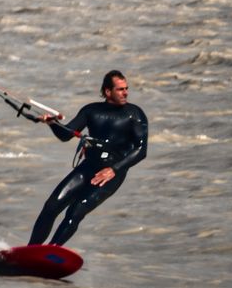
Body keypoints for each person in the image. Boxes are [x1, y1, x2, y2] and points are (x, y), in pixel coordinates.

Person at [28, 70, 148, 246]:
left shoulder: (135, 114)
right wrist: (53, 123)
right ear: (108, 92)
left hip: (110, 174)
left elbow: (141, 150)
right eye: (120, 89)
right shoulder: (91, 111)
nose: (125, 93)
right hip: (87, 168)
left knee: (76, 211)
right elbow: (66, 135)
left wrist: (113, 170)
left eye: (126, 88)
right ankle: (31, 251)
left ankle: (51, 250)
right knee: (51, 206)